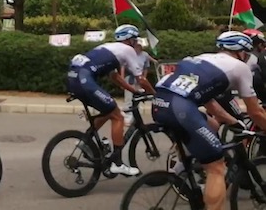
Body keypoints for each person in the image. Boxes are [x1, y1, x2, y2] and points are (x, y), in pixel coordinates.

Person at [152, 31, 266, 210]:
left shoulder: (201, 58)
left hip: (160, 104)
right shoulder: (240, 67)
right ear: (241, 52)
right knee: (217, 167)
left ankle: (185, 165)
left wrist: (231, 121)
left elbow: (208, 100)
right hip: (181, 109)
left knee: (212, 125)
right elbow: (256, 112)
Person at [66, 24, 156, 176]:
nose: (136, 43)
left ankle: (85, 142)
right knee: (118, 116)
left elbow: (114, 77)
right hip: (84, 80)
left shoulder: (110, 48)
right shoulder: (127, 50)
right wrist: (154, 93)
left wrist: (133, 91)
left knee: (109, 110)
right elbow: (141, 78)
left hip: (73, 79)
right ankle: (117, 163)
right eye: (135, 40)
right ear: (130, 40)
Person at [121, 39, 159, 125]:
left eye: (140, 46)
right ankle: (127, 117)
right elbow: (122, 67)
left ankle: (135, 118)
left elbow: (146, 67)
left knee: (139, 96)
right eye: (137, 46)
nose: (139, 47)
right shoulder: (129, 54)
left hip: (139, 77)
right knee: (128, 96)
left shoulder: (144, 55)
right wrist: (122, 79)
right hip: (130, 77)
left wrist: (144, 78)